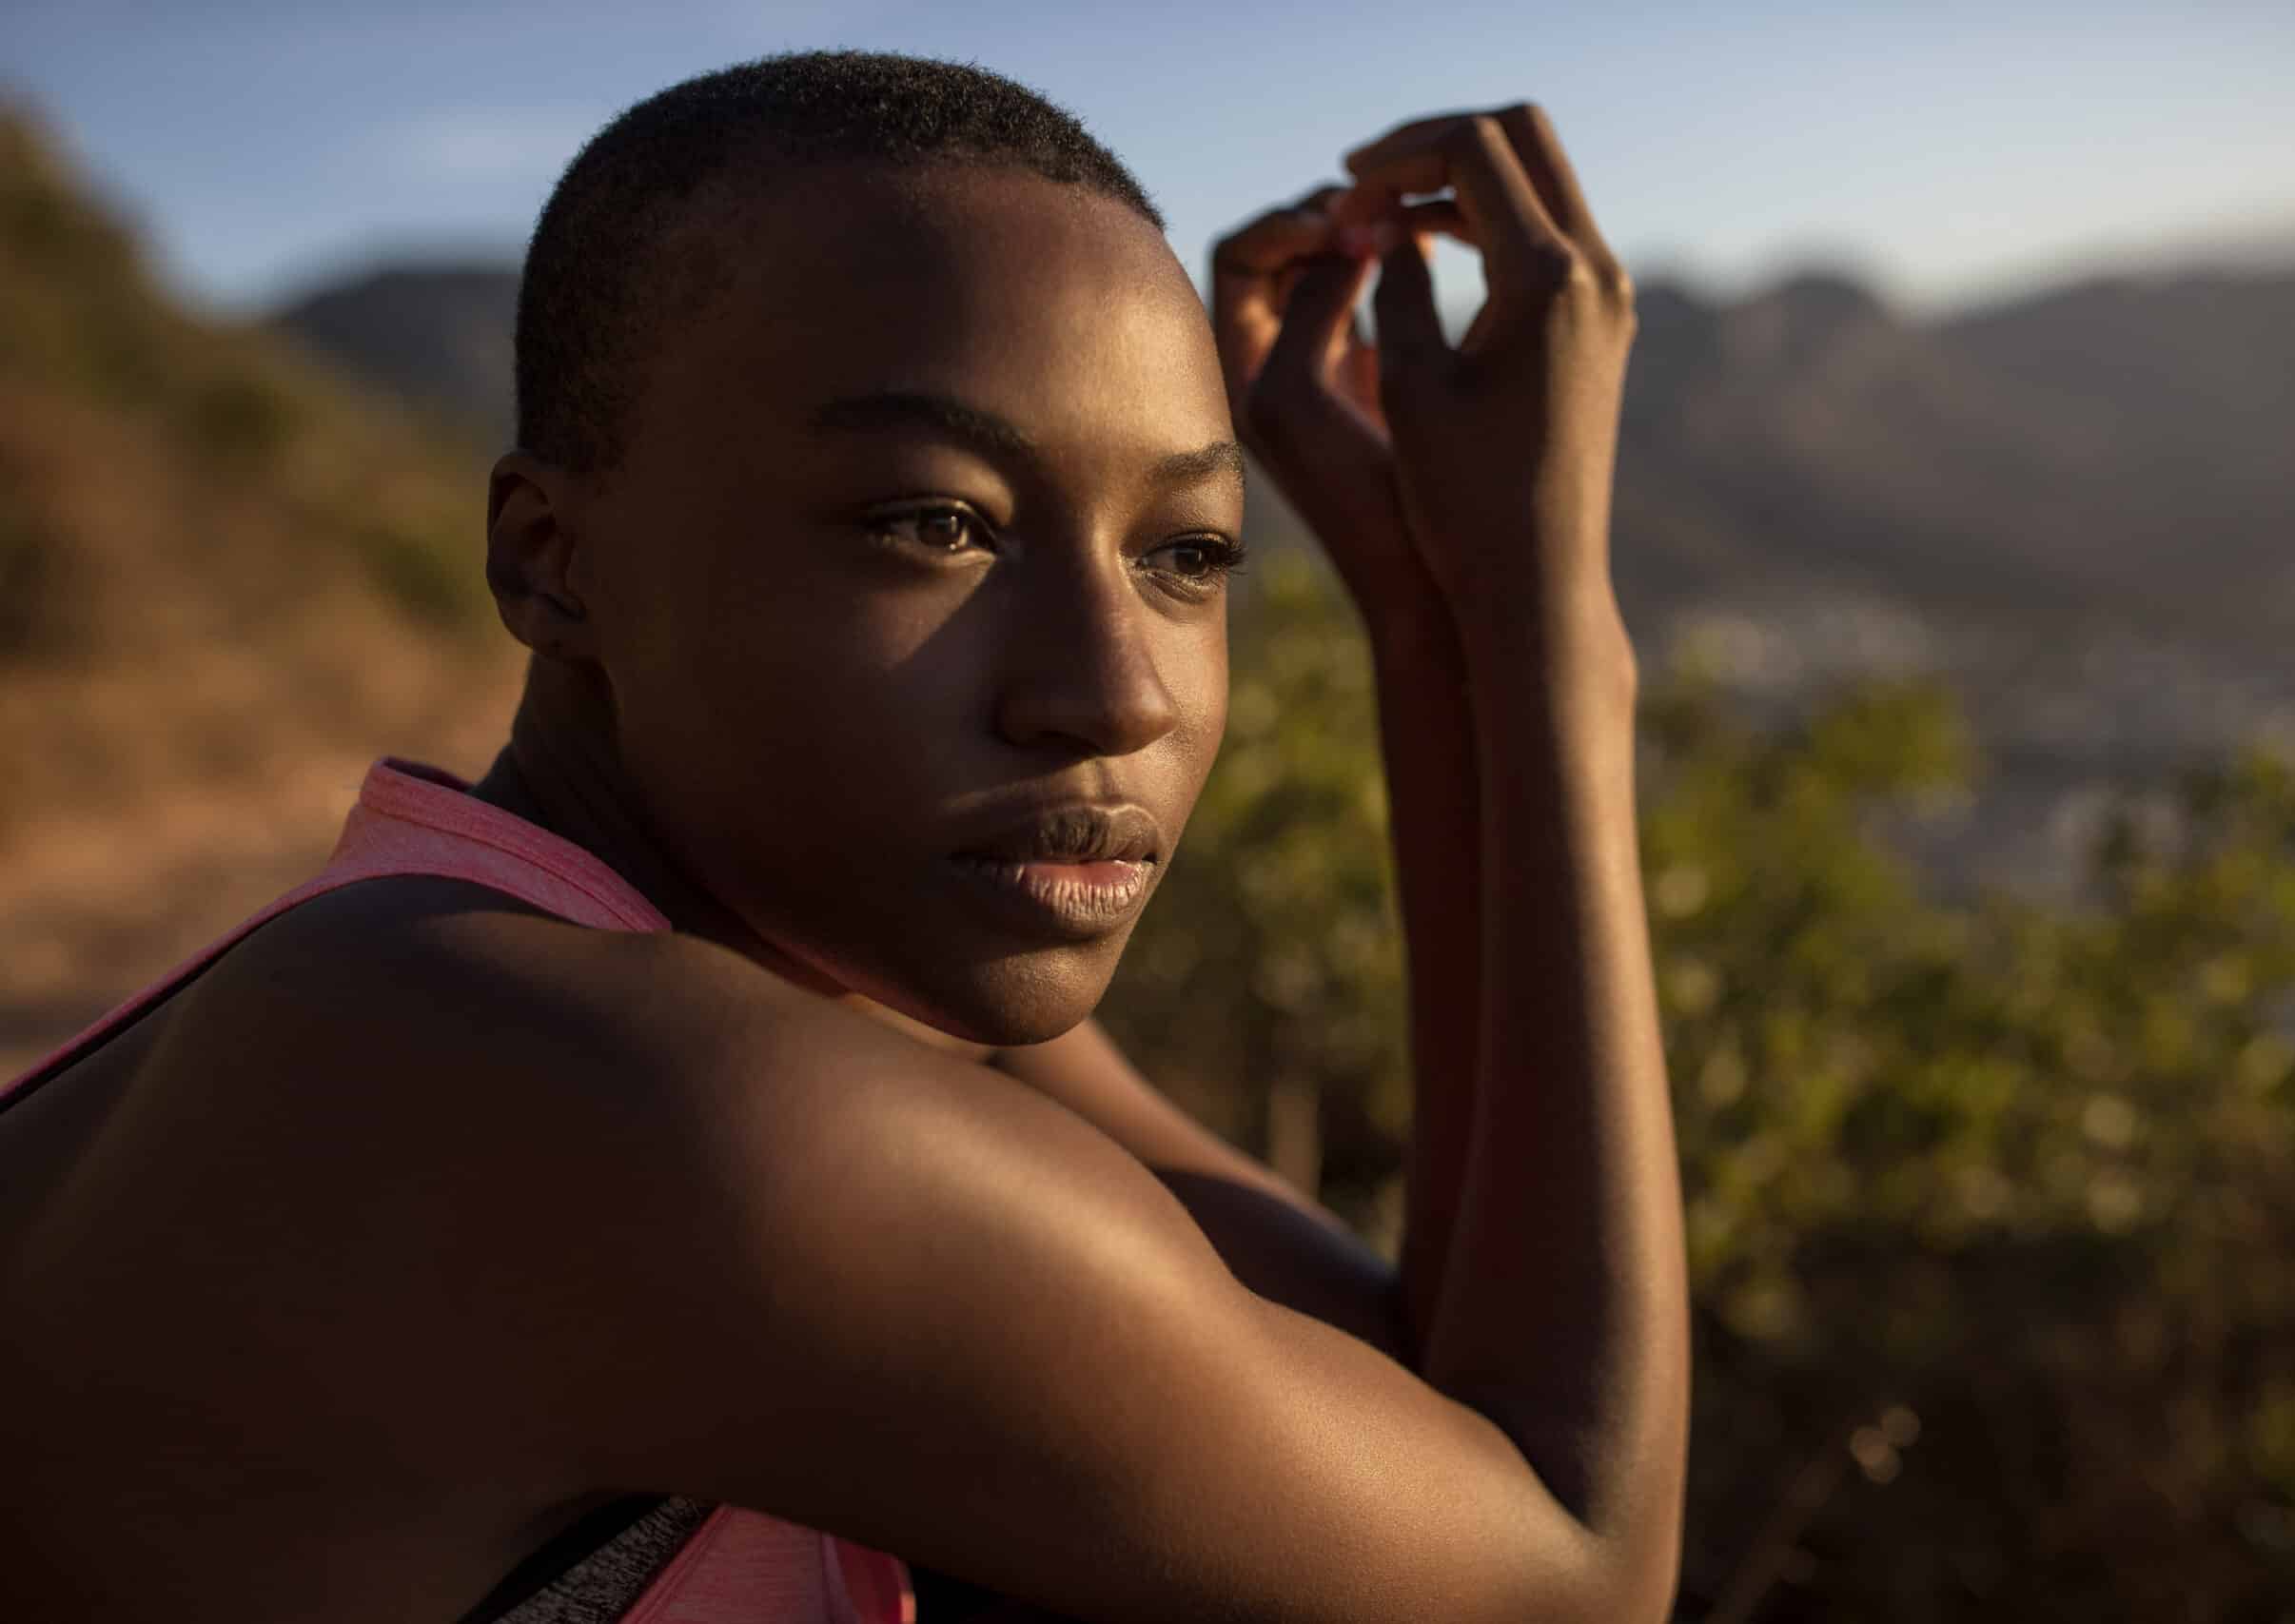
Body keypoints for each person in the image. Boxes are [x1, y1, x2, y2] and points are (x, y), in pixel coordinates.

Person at [0, 49, 1686, 1624]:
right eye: (935, 523)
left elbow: (1395, 1403)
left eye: (1188, 555)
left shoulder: (711, 957)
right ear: (550, 559)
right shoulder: (644, 1100)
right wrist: (1548, 627)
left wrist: (1429, 604)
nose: (1114, 697)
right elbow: (1569, 1575)